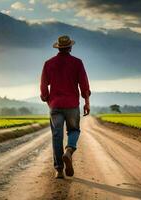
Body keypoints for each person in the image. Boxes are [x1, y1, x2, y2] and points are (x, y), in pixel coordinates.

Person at [40, 35, 91, 179]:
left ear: (59, 47)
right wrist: (87, 102)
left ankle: (59, 170)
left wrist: (46, 98)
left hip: (55, 105)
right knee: (74, 130)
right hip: (72, 104)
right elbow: (84, 84)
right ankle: (69, 150)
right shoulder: (77, 63)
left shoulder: (48, 63)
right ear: (70, 47)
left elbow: (44, 86)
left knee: (57, 136)